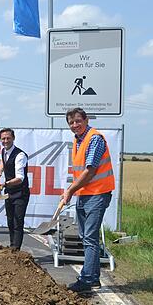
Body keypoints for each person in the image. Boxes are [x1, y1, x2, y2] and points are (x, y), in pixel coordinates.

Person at [62, 107, 115, 292]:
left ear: (85, 120)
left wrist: (70, 190)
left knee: (90, 238)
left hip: (97, 194)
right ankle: (93, 278)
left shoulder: (94, 139)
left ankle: (86, 280)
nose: (75, 125)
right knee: (86, 237)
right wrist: (74, 190)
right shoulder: (78, 140)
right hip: (85, 194)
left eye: (78, 121)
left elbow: (90, 170)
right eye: (71, 123)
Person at [0, 128, 30, 252]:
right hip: (9, 192)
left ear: (13, 138)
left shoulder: (20, 155)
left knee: (17, 221)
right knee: (10, 219)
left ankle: (16, 249)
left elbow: (20, 178)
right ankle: (12, 245)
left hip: (21, 193)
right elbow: (2, 161)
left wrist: (4, 184)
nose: (5, 141)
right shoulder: (3, 151)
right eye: (3, 138)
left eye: (8, 138)